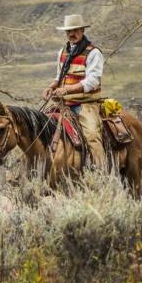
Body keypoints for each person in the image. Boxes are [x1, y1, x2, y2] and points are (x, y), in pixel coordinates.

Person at [42, 14, 105, 170]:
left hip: (85, 104)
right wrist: (51, 87)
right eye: (68, 31)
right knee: (42, 128)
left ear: (82, 30)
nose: (71, 34)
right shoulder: (63, 52)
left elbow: (92, 81)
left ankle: (101, 170)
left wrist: (67, 89)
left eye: (75, 30)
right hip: (64, 104)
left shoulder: (93, 53)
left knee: (91, 135)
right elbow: (60, 77)